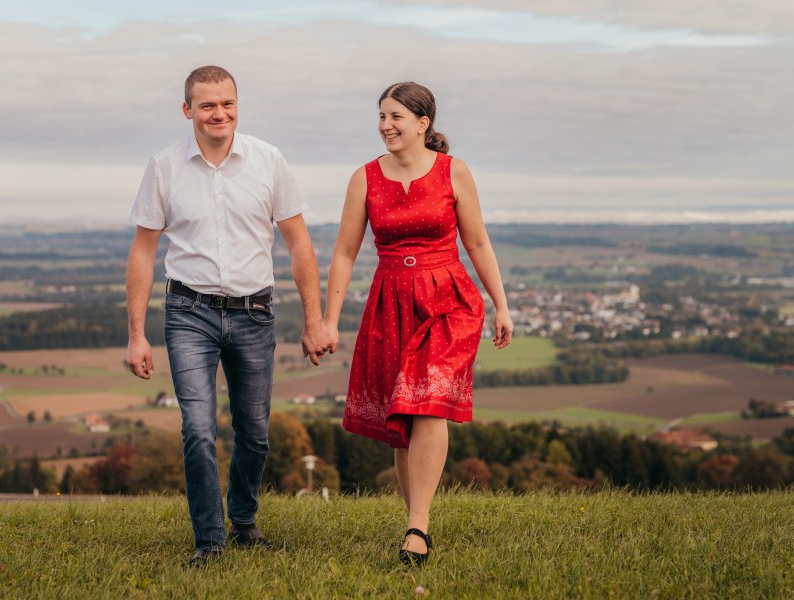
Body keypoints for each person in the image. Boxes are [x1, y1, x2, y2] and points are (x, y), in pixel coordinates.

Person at [125, 65, 331, 567]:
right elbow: (143, 251)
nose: (219, 113)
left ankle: (243, 521)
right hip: (188, 312)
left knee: (254, 431)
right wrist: (136, 334)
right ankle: (209, 542)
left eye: (227, 103)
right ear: (187, 109)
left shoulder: (268, 161)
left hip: (254, 314)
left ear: (238, 105)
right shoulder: (165, 165)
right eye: (207, 105)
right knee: (197, 428)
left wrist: (313, 319)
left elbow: (298, 241)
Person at [324, 81, 513, 565]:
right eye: (382, 116)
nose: (386, 126)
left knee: (428, 403)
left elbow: (478, 243)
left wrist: (501, 304)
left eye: (396, 117)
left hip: (448, 299)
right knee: (402, 416)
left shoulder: (454, 172)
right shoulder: (364, 178)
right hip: (390, 301)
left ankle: (418, 528)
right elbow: (345, 252)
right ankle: (416, 522)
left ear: (423, 123)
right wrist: (329, 318)